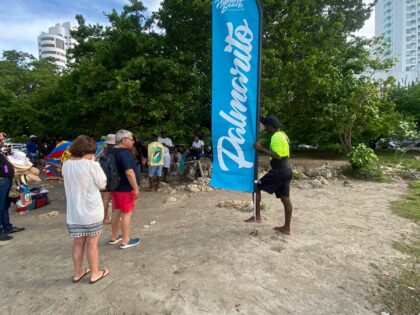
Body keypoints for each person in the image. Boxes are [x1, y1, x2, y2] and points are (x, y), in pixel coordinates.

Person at [62, 135, 109, 283]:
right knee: (92, 243)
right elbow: (103, 184)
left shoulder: (66, 164)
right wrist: (95, 164)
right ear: (85, 152)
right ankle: (95, 273)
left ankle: (78, 272)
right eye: (92, 152)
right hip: (91, 210)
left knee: (77, 243)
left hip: (74, 212)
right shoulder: (91, 165)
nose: (93, 155)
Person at [244, 116, 294, 235]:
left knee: (256, 187)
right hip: (287, 170)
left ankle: (257, 216)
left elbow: (278, 156)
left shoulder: (276, 136)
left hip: (279, 171)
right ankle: (287, 228)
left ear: (271, 126)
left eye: (266, 126)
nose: (265, 128)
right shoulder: (283, 134)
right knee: (285, 199)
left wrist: (261, 149)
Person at [109, 130, 141, 249]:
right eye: (131, 139)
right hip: (125, 188)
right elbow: (129, 172)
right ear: (124, 140)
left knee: (116, 211)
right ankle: (126, 240)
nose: (133, 141)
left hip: (115, 187)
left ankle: (114, 237)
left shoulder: (111, 151)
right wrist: (136, 188)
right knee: (127, 213)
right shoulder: (125, 153)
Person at [100, 134, 115, 224]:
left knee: (105, 199)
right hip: (111, 179)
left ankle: (105, 217)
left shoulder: (102, 153)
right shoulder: (114, 153)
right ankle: (105, 218)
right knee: (109, 199)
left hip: (102, 178)